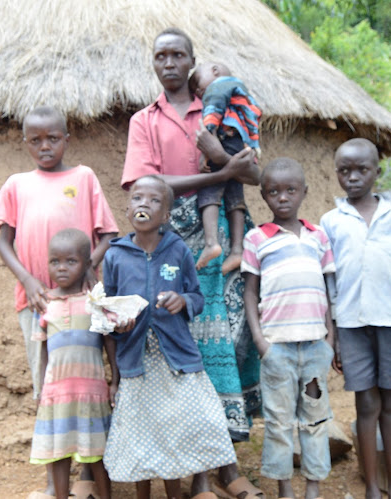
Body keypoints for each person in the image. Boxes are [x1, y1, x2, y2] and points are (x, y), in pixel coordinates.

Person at [121, 27, 265, 499]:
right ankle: (183, 466)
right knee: (178, 352)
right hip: (166, 241)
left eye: (177, 55)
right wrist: (223, 171)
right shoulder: (144, 120)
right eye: (161, 55)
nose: (169, 63)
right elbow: (148, 180)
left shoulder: (218, 105)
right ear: (154, 63)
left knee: (221, 348)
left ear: (191, 61)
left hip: (217, 236)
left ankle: (224, 467)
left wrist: (228, 171)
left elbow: (254, 168)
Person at [101, 176, 237, 499]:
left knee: (173, 432)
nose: (143, 205)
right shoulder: (115, 256)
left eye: (153, 200)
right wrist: (116, 324)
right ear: (127, 208)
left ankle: (175, 493)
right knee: (142, 435)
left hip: (174, 362)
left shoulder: (176, 250)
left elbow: (197, 296)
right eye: (137, 199)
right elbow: (105, 312)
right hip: (136, 364)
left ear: (166, 215)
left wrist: (183, 301)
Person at [320, 138, 391, 499]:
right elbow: (329, 282)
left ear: (376, 172)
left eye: (361, 170)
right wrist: (331, 334)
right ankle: (370, 486)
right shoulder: (331, 220)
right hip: (351, 324)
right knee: (365, 404)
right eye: (344, 171)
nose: (352, 177)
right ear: (336, 173)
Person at [0, 106, 119, 400]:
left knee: (85, 368)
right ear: (25, 143)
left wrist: (89, 267)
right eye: (35, 140)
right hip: (37, 298)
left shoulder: (83, 177)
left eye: (52, 138)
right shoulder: (16, 185)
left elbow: (109, 235)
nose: (45, 146)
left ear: (67, 139)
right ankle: (49, 437)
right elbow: (3, 243)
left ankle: (89, 434)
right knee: (45, 373)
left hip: (81, 296)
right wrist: (26, 280)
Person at [241, 158, 335, 499]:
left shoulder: (318, 237)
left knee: (315, 418)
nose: (283, 197)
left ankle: (313, 487)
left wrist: (330, 338)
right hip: (277, 348)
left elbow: (329, 290)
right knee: (279, 422)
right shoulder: (257, 239)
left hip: (314, 348)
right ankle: (285, 489)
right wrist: (260, 340)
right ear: (264, 196)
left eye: (290, 190)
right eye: (274, 192)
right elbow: (250, 292)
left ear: (304, 192)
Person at [28, 229, 116, 499]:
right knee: (59, 451)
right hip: (57, 393)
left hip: (92, 392)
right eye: (55, 261)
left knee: (96, 453)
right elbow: (42, 350)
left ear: (87, 264)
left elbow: (109, 344)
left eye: (71, 261)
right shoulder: (45, 304)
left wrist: (115, 380)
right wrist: (43, 386)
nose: (62, 268)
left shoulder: (95, 303)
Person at [188, 62, 262, 274]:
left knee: (210, 191)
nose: (201, 94)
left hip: (225, 140)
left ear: (215, 72)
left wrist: (207, 149)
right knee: (235, 197)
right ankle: (237, 250)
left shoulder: (219, 86)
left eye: (200, 89)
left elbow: (212, 112)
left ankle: (212, 242)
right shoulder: (241, 92)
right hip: (241, 144)